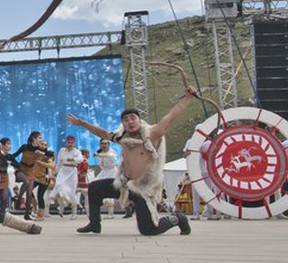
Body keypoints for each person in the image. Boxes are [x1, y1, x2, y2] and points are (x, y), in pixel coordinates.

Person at [68, 89, 199, 235]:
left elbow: (171, 116)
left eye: (132, 118)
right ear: (123, 124)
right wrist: (82, 124)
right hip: (124, 183)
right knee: (94, 188)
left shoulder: (153, 135)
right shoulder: (122, 138)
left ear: (139, 120)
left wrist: (187, 98)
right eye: (126, 120)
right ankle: (94, 224)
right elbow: (104, 134)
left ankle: (177, 219)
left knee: (148, 230)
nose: (130, 121)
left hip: (143, 188)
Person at [12, 132, 54, 220]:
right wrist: (14, 164)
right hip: (21, 168)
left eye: (41, 138)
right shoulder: (25, 147)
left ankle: (27, 214)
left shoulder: (41, 149)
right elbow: (14, 155)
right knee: (26, 181)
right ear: (33, 138)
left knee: (29, 192)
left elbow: (49, 156)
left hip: (31, 171)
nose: (41, 140)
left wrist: (43, 153)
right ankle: (19, 198)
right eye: (39, 138)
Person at [46, 135, 83, 218]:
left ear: (74, 143)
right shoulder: (62, 150)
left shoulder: (77, 152)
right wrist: (56, 171)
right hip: (63, 170)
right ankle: (53, 197)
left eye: (71, 143)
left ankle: (74, 213)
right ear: (66, 143)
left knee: (71, 191)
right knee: (59, 185)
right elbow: (59, 161)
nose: (70, 144)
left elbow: (80, 159)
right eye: (68, 142)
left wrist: (73, 159)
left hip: (72, 171)